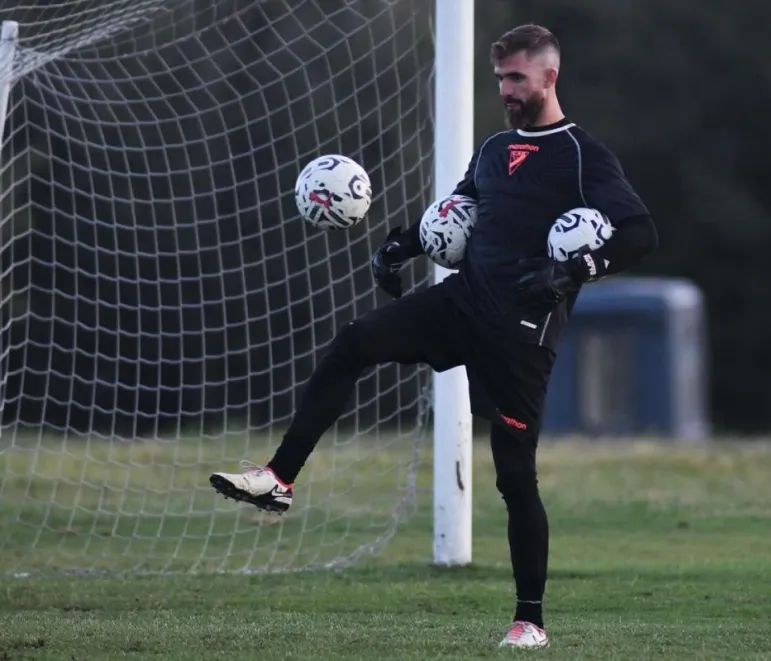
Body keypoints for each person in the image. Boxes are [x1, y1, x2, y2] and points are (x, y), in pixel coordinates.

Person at [209, 23, 658, 649]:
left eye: (516, 78)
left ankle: (530, 621)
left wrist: (571, 271)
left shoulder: (582, 155)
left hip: (521, 334)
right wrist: (399, 246)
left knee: (514, 478)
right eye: (500, 78)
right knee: (354, 341)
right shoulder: (494, 149)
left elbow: (640, 234)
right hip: (460, 304)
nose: (505, 89)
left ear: (549, 77)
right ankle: (278, 479)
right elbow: (457, 213)